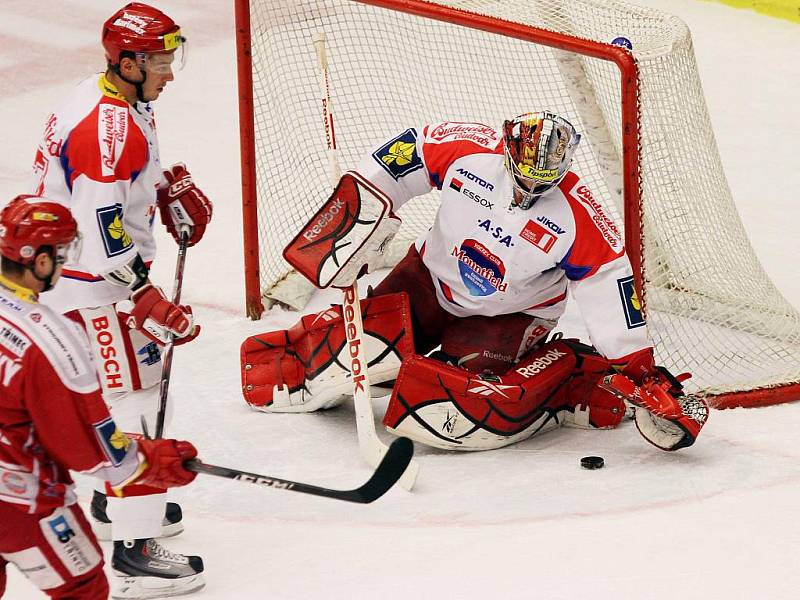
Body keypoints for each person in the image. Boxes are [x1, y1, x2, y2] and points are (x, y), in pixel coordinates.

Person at [242, 111, 709, 452]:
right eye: (524, 175)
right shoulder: (470, 150)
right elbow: (406, 154)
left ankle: (567, 376)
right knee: (356, 347)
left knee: (448, 397)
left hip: (509, 315)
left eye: (543, 181)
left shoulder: (578, 215)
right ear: (508, 150)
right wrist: (361, 217)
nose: (530, 189)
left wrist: (641, 372)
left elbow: (611, 285)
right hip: (427, 281)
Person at [28, 3, 213, 597]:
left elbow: (127, 180)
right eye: (161, 59)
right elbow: (101, 229)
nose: (171, 71)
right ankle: (135, 546)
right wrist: (147, 297)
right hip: (95, 289)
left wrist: (164, 189)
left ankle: (118, 505)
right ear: (129, 61)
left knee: (127, 390)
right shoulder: (108, 134)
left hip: (86, 281)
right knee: (134, 395)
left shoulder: (116, 99)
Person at [0, 195, 201, 600]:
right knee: (84, 588)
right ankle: (134, 542)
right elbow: (89, 449)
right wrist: (155, 460)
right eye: (60, 253)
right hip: (17, 501)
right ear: (39, 262)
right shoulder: (51, 339)